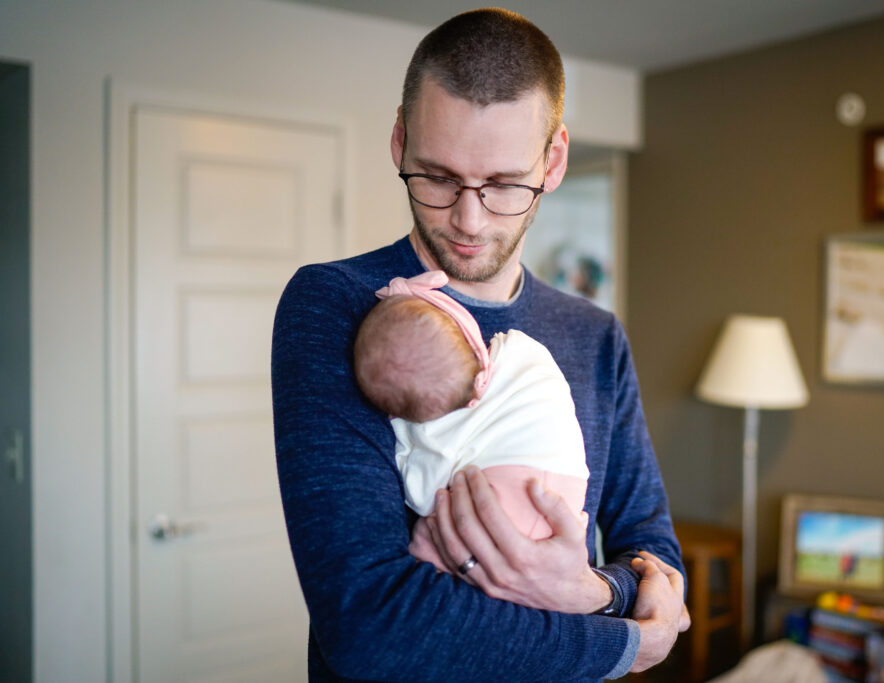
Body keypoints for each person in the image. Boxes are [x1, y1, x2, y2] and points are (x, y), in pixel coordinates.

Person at [272, 8, 687, 681]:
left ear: (552, 161)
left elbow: (654, 549)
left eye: (501, 184)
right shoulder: (335, 305)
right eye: (436, 176)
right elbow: (368, 626)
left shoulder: (595, 334)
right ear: (400, 141)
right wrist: (623, 644)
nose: (467, 220)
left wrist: (594, 591)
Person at [353, 269, 590, 566]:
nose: (471, 222)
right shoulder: (522, 349)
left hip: (505, 505)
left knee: (431, 534)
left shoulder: (434, 431)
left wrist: (402, 438)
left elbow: (423, 494)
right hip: (569, 499)